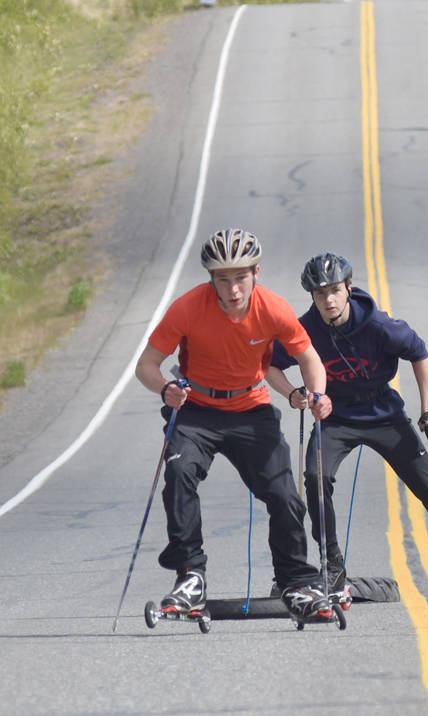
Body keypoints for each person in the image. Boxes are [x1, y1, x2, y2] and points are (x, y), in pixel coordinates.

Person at [266, 252, 428, 604]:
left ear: (349, 288)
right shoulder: (305, 329)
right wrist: (292, 393)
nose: (329, 300)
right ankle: (332, 569)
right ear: (312, 296)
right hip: (336, 416)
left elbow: (419, 352)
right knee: (314, 476)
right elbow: (269, 364)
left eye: (335, 290)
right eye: (320, 294)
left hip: (384, 413)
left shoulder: (377, 325)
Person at [133, 227, 336, 620]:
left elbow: (309, 358)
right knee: (179, 475)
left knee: (284, 495)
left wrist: (316, 394)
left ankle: (296, 581)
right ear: (211, 279)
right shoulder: (188, 308)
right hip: (196, 410)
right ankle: (191, 575)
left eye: (240, 277)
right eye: (222, 280)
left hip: (251, 408)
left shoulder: (273, 308)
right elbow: (146, 365)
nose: (233, 289)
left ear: (256, 272)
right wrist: (165, 390)